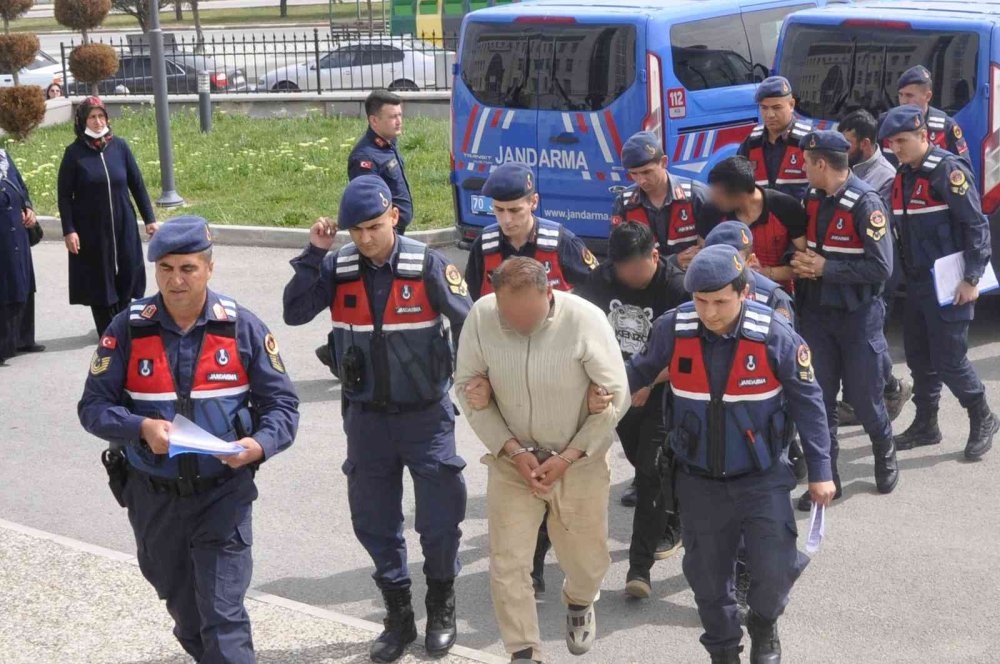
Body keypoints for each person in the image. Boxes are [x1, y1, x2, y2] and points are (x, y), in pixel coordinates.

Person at [77, 216, 300, 664]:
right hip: (153, 498)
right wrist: (140, 428)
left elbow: (282, 406)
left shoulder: (242, 328)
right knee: (187, 613)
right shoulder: (126, 329)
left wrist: (259, 445)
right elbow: (93, 408)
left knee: (223, 616)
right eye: (166, 268)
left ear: (209, 268)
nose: (176, 280)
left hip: (223, 494)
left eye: (188, 268)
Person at [282, 175, 471, 662]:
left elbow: (470, 323)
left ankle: (441, 606)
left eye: (371, 227)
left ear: (393, 216)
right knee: (374, 521)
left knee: (439, 519)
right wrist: (312, 253)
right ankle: (399, 617)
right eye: (354, 231)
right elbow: (295, 311)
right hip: (366, 420)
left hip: (425, 416)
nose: (364, 239)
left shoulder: (427, 264)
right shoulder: (338, 265)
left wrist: (479, 381)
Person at [626, 244, 836, 664]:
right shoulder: (673, 328)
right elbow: (631, 375)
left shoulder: (775, 336)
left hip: (761, 476)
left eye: (720, 301)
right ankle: (723, 650)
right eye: (700, 301)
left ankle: (763, 622)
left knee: (774, 569)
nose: (709, 312)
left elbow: (809, 405)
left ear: (744, 292)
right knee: (707, 579)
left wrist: (821, 471)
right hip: (698, 479)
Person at [455, 257, 629, 664]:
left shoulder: (585, 320)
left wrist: (569, 456)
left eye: (528, 317)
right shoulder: (482, 317)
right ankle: (523, 650)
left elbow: (615, 396)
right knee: (508, 562)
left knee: (586, 560)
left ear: (549, 294)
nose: (518, 326)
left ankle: (580, 600)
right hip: (512, 462)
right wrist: (511, 450)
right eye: (508, 317)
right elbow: (467, 387)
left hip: (577, 462)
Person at [574, 221, 687, 598]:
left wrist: (647, 382)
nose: (628, 278)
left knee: (653, 468)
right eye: (622, 271)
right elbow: (575, 328)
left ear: (654, 256)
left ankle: (640, 569)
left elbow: (691, 355)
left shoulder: (676, 287)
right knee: (644, 464)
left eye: (636, 270)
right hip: (615, 391)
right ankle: (673, 512)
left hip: (661, 388)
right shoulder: (601, 280)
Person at [879, 105, 998, 460]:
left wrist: (971, 278)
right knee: (918, 357)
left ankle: (983, 416)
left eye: (903, 140)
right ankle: (926, 424)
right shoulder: (902, 175)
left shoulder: (947, 172)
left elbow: (976, 226)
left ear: (923, 136)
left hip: (949, 284)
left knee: (950, 359)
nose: (896, 148)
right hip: (915, 285)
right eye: (892, 142)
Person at [790, 130, 900, 512]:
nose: (803, 169)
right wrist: (802, 264)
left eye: (806, 163)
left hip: (857, 318)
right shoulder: (811, 199)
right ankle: (828, 474)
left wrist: (826, 268)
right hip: (817, 316)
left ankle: (885, 450)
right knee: (818, 400)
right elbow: (805, 247)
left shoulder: (865, 203)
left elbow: (881, 267)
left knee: (865, 399)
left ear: (822, 164)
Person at [58, 96, 158, 337]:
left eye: (101, 116)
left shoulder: (120, 147)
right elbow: (64, 196)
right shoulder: (74, 154)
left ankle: (124, 323)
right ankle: (107, 330)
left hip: (123, 222)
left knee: (127, 271)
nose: (97, 121)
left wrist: (150, 219)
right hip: (91, 228)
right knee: (99, 278)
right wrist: (69, 230)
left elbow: (137, 185)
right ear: (83, 120)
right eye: (92, 117)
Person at [838, 109, 913, 425]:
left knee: (868, 341)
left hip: (876, 272)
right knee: (861, 341)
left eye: (847, 144)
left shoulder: (882, 176)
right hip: (851, 273)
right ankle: (881, 391)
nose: (842, 151)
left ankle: (888, 390)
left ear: (865, 144)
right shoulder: (851, 169)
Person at [465, 161, 596, 300]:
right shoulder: (483, 246)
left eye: (514, 210)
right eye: (499, 210)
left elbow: (597, 289)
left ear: (533, 202)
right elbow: (470, 302)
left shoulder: (563, 243)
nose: (506, 219)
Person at [611, 130, 715, 269]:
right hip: (647, 284)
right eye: (634, 174)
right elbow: (620, 257)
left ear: (664, 162)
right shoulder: (624, 203)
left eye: (647, 172)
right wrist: (673, 262)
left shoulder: (696, 195)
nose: (641, 180)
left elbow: (716, 250)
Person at [703, 156, 808, 292]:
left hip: (779, 294)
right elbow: (705, 258)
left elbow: (805, 265)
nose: (713, 197)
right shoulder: (712, 212)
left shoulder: (785, 207)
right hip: (730, 297)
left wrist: (765, 273)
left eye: (718, 193)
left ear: (739, 194)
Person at [737, 76, 814, 201]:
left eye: (776, 108)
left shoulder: (809, 141)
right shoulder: (751, 143)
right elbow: (738, 185)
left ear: (791, 104)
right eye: (764, 108)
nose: (770, 115)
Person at [0, 149, 43, 365]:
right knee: (7, 284)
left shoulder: (4, 156)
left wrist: (28, 207)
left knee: (25, 281)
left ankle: (23, 339)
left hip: (17, 230)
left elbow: (21, 186)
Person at [878, 65, 969, 168]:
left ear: (928, 96)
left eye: (909, 95)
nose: (903, 101)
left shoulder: (946, 126)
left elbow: (962, 167)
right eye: (900, 95)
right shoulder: (885, 122)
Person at [348, 90, 413, 234]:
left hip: (396, 230)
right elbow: (368, 205)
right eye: (392, 117)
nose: (399, 121)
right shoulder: (365, 158)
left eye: (400, 115)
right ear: (374, 121)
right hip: (385, 234)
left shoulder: (388, 142)